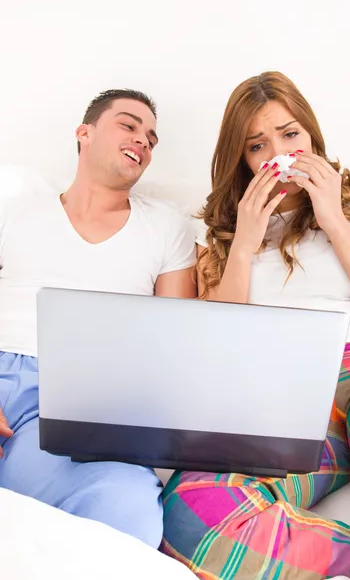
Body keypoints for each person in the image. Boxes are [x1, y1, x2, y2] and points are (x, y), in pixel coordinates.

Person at [161, 72, 350, 579]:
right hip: (281, 388)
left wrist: (333, 218)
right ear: (242, 158)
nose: (278, 153)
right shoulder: (214, 229)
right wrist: (244, 243)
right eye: (257, 145)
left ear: (310, 135)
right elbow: (215, 344)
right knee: (191, 513)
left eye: (290, 135)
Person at [0, 89, 197, 548]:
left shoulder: (167, 228)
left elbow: (174, 343)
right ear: (83, 133)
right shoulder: (15, 210)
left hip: (80, 402)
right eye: (129, 125)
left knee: (126, 511)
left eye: (152, 137)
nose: (143, 141)